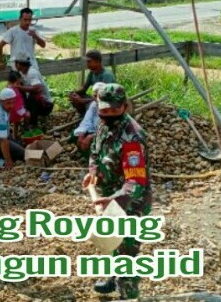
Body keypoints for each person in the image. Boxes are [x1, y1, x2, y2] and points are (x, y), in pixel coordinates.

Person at [82, 84, 152, 300]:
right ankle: (113, 278)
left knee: (127, 252)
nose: (109, 115)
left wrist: (113, 201)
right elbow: (95, 151)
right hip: (109, 195)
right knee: (113, 241)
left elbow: (135, 181)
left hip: (131, 202)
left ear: (125, 106)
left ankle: (129, 295)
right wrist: (93, 171)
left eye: (115, 110)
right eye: (105, 110)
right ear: (97, 106)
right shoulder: (103, 125)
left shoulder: (132, 138)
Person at [69, 49, 116, 116]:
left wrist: (82, 100)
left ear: (97, 61)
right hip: (98, 98)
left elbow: (104, 97)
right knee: (75, 98)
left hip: (108, 102)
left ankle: (94, 117)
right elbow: (84, 88)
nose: (87, 64)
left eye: (89, 62)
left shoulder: (107, 75)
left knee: (87, 103)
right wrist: (74, 93)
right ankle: (84, 116)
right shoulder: (92, 73)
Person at [14, 52, 54, 128]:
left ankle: (32, 125)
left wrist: (20, 87)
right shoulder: (23, 73)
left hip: (46, 105)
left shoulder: (32, 72)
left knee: (32, 96)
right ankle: (25, 120)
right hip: (39, 103)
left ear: (19, 64)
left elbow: (38, 89)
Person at [70, 82, 106, 158]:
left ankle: (97, 158)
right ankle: (89, 156)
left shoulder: (109, 107)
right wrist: (82, 133)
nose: (97, 99)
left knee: (95, 144)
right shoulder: (94, 104)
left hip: (103, 134)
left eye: (99, 96)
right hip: (92, 130)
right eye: (95, 96)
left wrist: (91, 136)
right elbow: (87, 120)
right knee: (75, 136)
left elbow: (109, 128)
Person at [6, 71, 30, 138]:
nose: (20, 82)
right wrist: (25, 113)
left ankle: (14, 136)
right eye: (19, 81)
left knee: (15, 123)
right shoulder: (14, 92)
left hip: (9, 113)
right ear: (16, 82)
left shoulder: (8, 89)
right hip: (14, 113)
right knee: (27, 115)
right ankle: (26, 130)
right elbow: (18, 107)